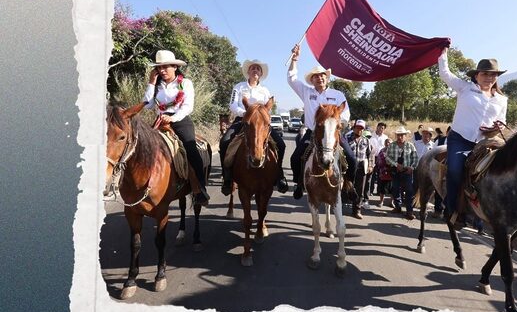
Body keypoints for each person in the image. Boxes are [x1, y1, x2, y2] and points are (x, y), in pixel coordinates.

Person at [438, 48, 508, 228]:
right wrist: (442, 52)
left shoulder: (502, 99)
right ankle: (452, 209)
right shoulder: (464, 88)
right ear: (476, 75)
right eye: (485, 73)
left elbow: (502, 120)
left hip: (487, 142)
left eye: (493, 75)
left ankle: (489, 210)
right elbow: (445, 74)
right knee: (454, 170)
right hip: (460, 139)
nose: (489, 77)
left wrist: (496, 127)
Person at [287, 44, 358, 201]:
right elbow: (291, 79)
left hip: (334, 134)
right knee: (295, 157)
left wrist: (341, 123)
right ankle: (298, 183)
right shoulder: (306, 92)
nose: (319, 78)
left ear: (327, 78)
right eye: (316, 76)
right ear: (312, 80)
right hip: (314, 133)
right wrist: (295, 59)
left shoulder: (337, 94)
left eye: (322, 75)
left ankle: (349, 184)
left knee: (352, 159)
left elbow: (345, 112)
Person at [143, 50, 210, 206]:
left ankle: (200, 189)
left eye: (166, 67)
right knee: (144, 148)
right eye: (159, 68)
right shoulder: (157, 85)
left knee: (191, 149)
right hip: (160, 121)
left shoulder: (185, 83)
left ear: (175, 66)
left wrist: (172, 117)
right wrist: (151, 83)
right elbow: (148, 105)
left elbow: (188, 107)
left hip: (180, 120)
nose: (162, 70)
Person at [218, 59, 288, 196]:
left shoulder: (265, 90)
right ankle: (227, 177)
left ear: (261, 74)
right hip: (242, 120)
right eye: (253, 68)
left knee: (281, 144)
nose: (255, 70)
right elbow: (232, 104)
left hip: (261, 123)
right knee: (225, 142)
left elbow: (268, 108)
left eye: (258, 69)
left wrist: (261, 117)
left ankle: (279, 175)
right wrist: (245, 113)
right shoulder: (238, 87)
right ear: (248, 72)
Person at [386, 126, 419, 220]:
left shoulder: (410, 145)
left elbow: (415, 158)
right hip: (395, 171)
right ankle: (398, 207)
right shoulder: (392, 145)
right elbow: (387, 158)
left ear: (405, 136)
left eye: (402, 135)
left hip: (407, 172)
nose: (400, 137)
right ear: (396, 136)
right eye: (398, 135)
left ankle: (409, 211)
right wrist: (396, 165)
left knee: (409, 191)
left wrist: (412, 168)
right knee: (395, 189)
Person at [344, 120, 373, 218]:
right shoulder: (346, 138)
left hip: (362, 167)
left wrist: (370, 166)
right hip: (349, 167)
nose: (359, 130)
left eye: (362, 128)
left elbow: (370, 154)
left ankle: (357, 210)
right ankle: (342, 205)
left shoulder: (366, 140)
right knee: (347, 187)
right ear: (354, 127)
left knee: (360, 189)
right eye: (358, 127)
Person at [369, 122, 388, 195]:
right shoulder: (371, 136)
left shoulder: (385, 137)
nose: (381, 129)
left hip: (382, 158)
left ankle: (379, 191)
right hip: (373, 157)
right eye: (380, 127)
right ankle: (370, 191)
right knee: (372, 174)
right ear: (377, 127)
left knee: (381, 175)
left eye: (383, 128)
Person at [375, 137, 393, 207]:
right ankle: (381, 201)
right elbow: (378, 161)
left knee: (392, 189)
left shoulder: (394, 151)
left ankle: (391, 202)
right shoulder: (382, 151)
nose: (388, 144)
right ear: (385, 143)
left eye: (390, 142)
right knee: (382, 188)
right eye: (387, 142)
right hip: (383, 172)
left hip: (392, 173)